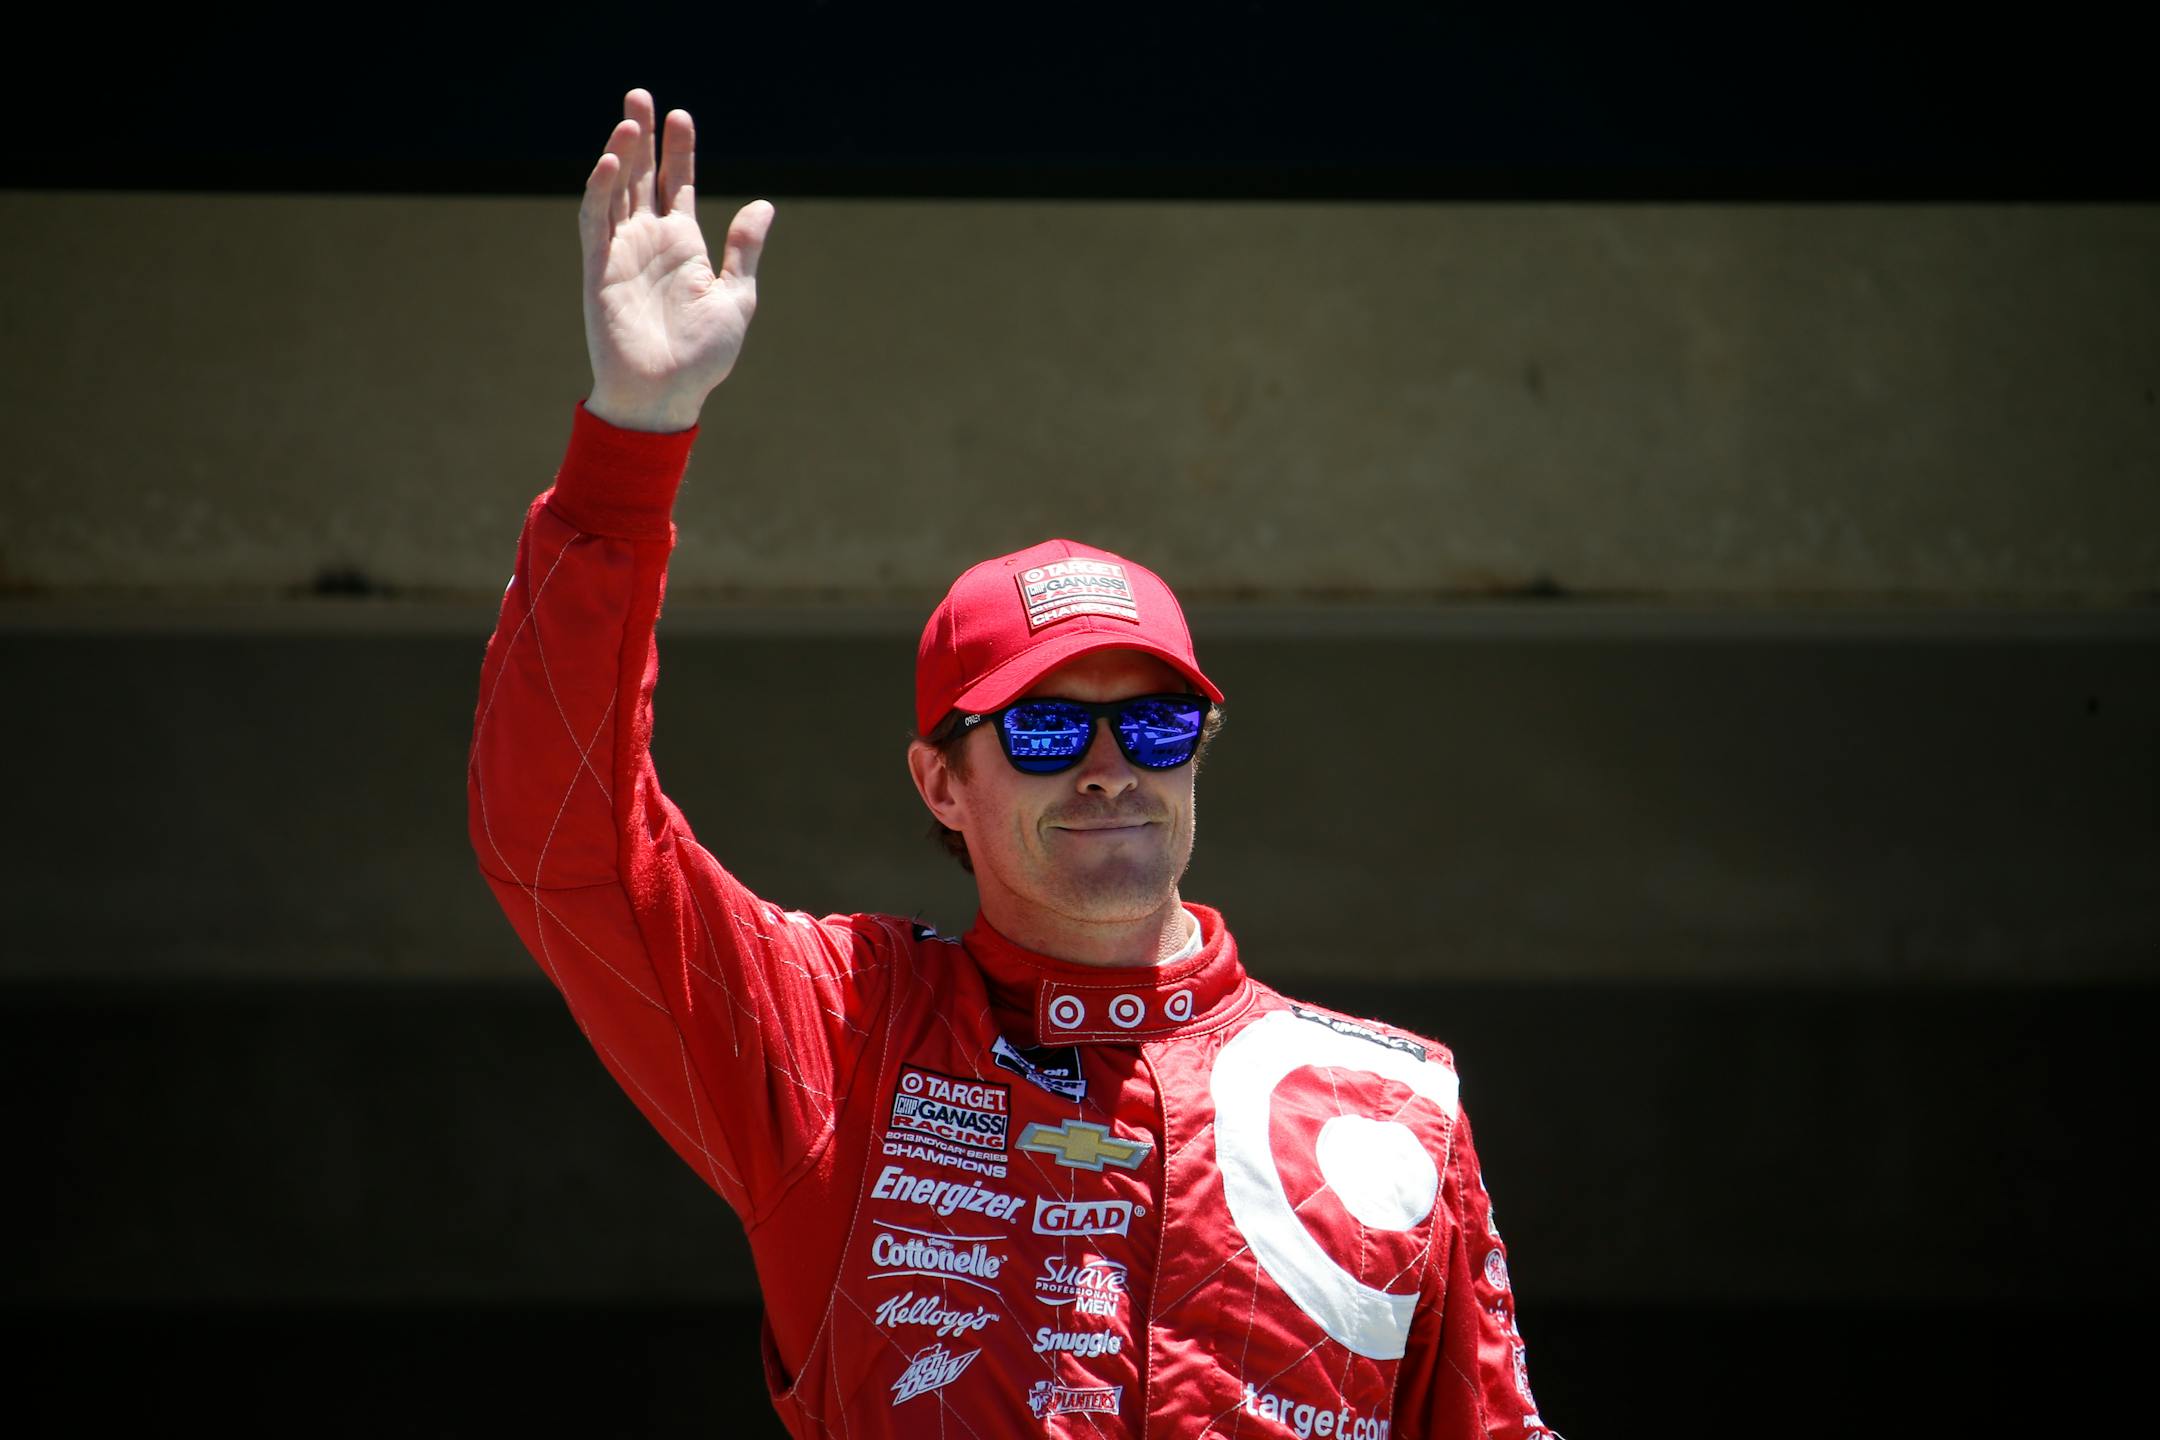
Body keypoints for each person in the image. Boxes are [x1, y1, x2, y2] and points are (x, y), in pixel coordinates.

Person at [468, 88, 1556, 1439]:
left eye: (1153, 724)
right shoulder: (846, 1035)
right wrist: (630, 443)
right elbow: (563, 845)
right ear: (941, 784)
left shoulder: (1395, 1102)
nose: (1109, 767)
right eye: (1045, 730)